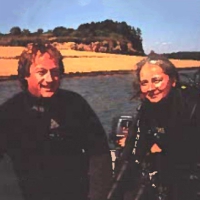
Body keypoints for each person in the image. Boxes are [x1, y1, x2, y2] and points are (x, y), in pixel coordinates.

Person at [0, 42, 112, 200]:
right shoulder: (10, 112)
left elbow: (99, 153)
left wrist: (97, 196)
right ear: (26, 75)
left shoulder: (75, 104)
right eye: (41, 72)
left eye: (55, 72)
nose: (50, 79)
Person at [110, 52, 200, 200]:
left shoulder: (193, 105)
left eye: (156, 80)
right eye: (144, 83)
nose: (150, 88)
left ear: (173, 80)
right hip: (172, 175)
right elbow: (131, 154)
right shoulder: (147, 109)